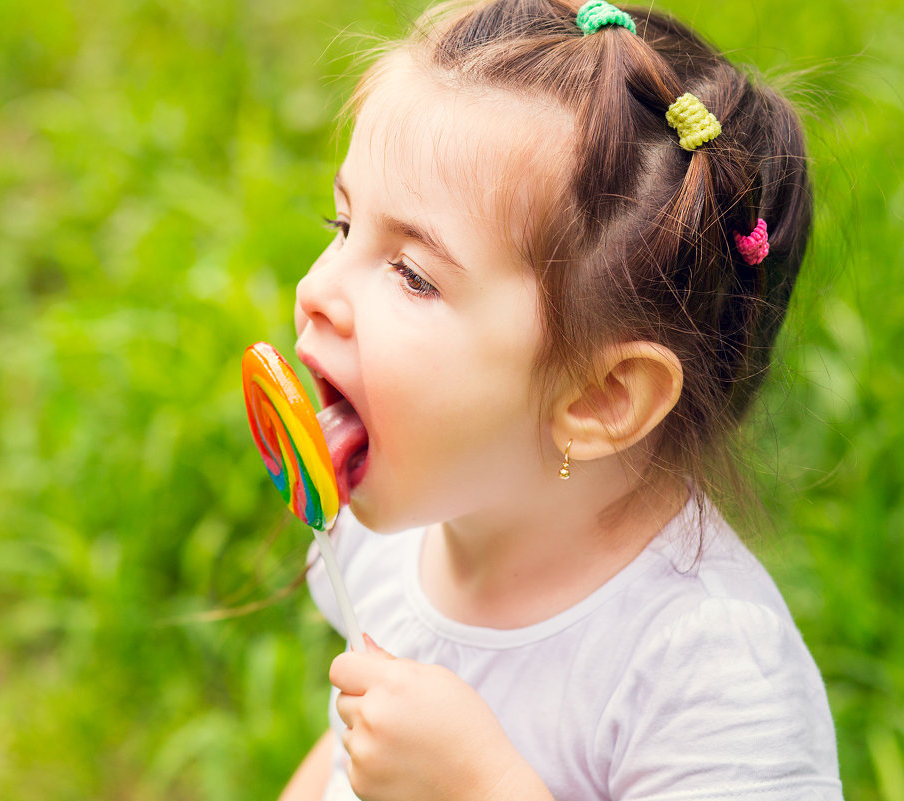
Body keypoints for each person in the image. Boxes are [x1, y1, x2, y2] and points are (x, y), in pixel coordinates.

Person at [278, 0, 841, 799]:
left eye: (413, 273)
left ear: (603, 396)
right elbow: (349, 747)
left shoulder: (706, 674)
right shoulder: (387, 540)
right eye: (341, 225)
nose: (315, 291)